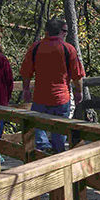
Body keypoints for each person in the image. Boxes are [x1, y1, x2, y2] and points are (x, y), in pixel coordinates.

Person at [20, 17, 85, 153]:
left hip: (40, 97)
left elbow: (26, 72)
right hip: (61, 98)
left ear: (47, 31)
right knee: (59, 131)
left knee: (38, 126)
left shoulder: (36, 47)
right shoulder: (68, 49)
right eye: (65, 31)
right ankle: (58, 155)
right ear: (61, 32)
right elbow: (77, 76)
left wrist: (26, 89)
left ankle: (43, 150)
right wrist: (79, 92)